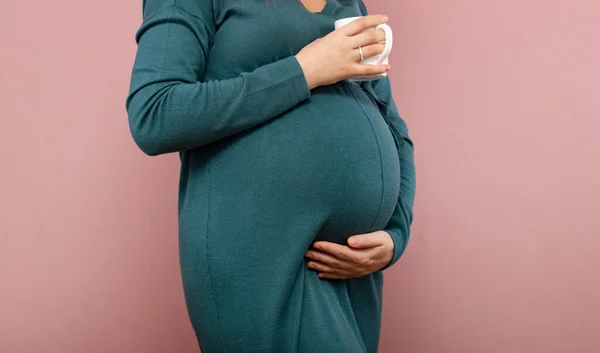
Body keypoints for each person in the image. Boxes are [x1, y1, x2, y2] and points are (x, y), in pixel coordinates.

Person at [125, 0, 416, 351]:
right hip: (259, 259)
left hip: (352, 271)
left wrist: (395, 236)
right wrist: (304, 71)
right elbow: (155, 114)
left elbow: (392, 125)